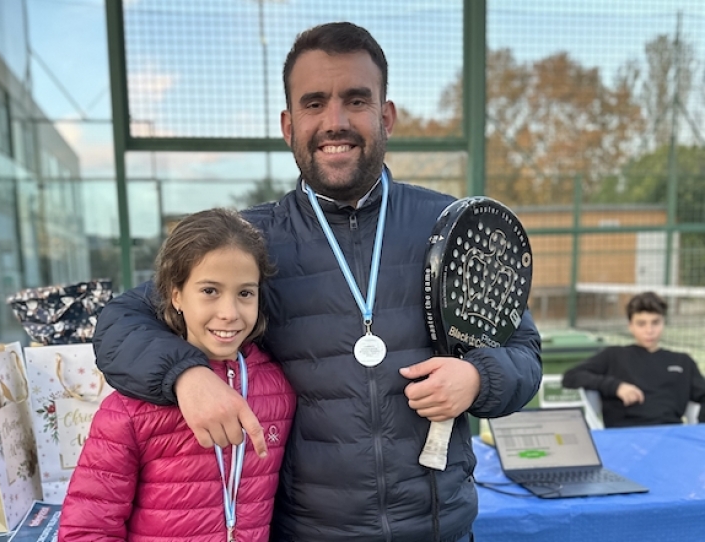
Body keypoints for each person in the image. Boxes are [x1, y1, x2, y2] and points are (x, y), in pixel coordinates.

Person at [94, 22, 542, 542]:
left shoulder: (450, 224)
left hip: (439, 529)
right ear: (288, 125)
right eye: (314, 103)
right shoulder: (247, 241)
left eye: (356, 100)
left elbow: (524, 351)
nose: (335, 121)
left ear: (386, 116)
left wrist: (478, 380)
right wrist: (187, 376)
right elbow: (119, 321)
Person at [59, 208, 296, 542]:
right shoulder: (128, 408)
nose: (229, 313)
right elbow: (88, 528)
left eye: (245, 293)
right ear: (176, 295)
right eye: (210, 291)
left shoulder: (280, 388)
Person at [563, 291, 705, 427]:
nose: (649, 330)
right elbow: (571, 376)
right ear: (630, 326)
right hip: (625, 435)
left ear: (663, 323)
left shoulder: (683, 362)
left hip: (671, 435)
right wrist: (615, 386)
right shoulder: (613, 356)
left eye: (655, 322)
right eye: (641, 324)